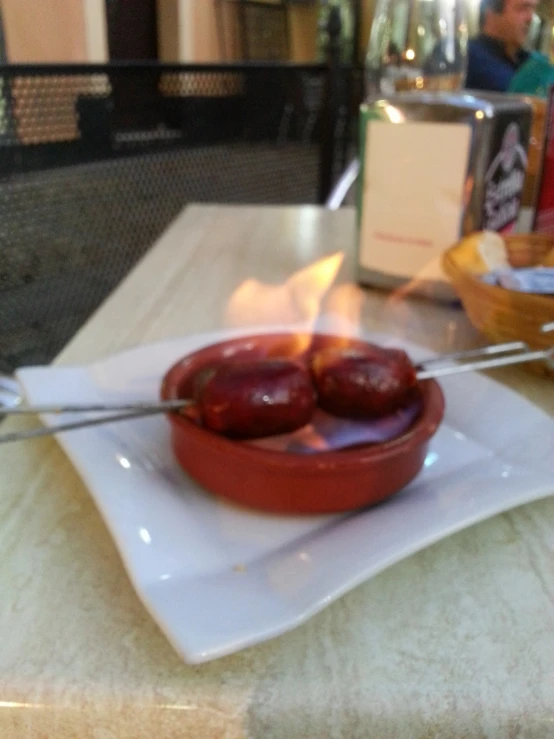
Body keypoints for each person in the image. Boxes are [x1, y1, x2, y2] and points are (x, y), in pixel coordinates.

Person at [466, 0, 538, 92]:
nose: (531, 18)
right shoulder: (467, 57)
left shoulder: (531, 62)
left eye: (533, 9)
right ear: (492, 11)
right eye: (523, 8)